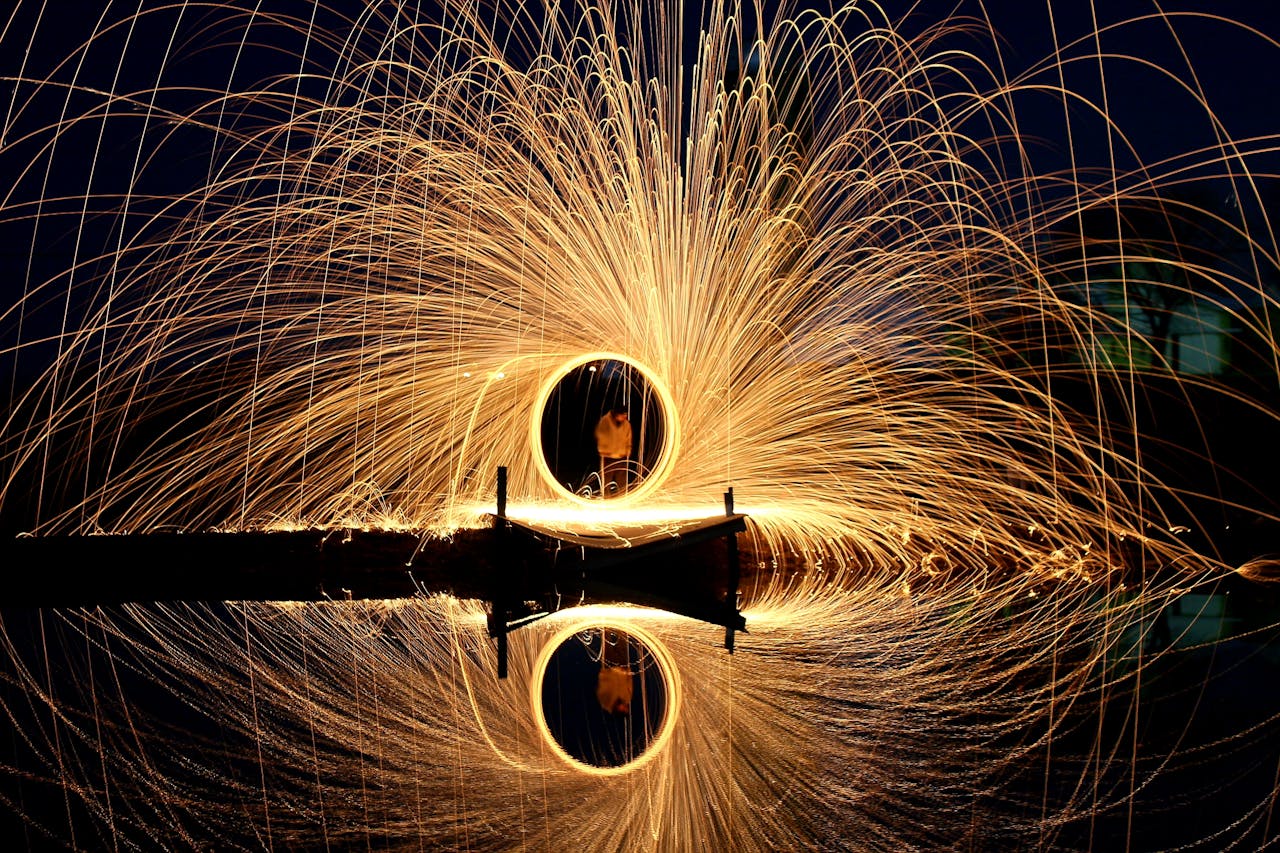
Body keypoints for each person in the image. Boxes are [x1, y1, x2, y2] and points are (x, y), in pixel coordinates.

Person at [594, 407, 632, 496]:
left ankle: (622, 502)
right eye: (623, 415)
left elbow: (628, 439)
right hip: (608, 457)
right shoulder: (605, 421)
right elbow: (599, 435)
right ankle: (606, 502)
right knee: (606, 483)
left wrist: (627, 451)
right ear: (616, 414)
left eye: (626, 415)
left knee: (622, 483)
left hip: (622, 457)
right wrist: (604, 450)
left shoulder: (626, 424)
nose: (625, 417)